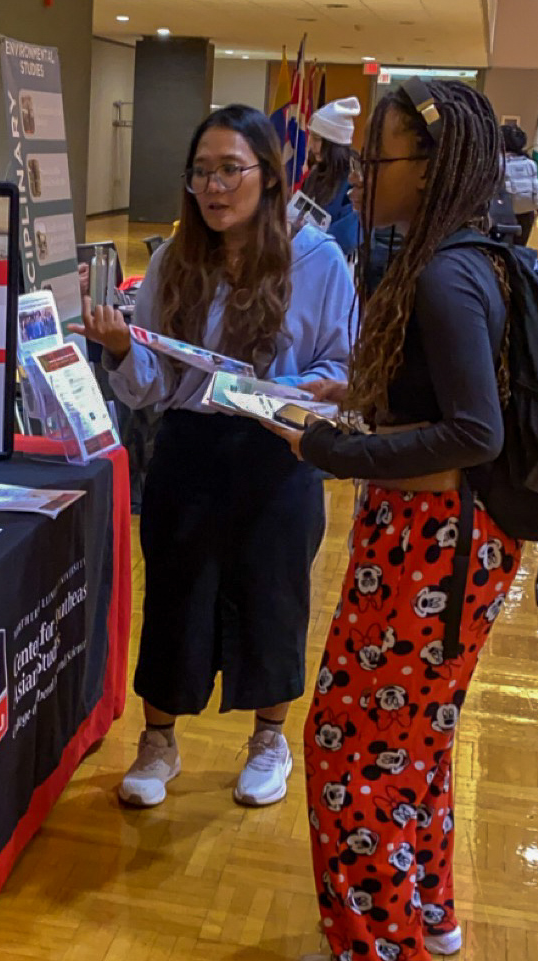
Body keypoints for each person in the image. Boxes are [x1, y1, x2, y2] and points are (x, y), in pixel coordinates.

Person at [267, 79, 522, 961]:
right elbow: (433, 401)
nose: (356, 172)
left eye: (378, 159)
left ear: (435, 164)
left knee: (350, 745)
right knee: (411, 739)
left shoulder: (448, 273)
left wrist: (339, 448)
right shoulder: (459, 255)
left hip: (432, 549)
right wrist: (348, 403)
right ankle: (424, 913)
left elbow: (474, 431)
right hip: (443, 547)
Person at [69, 104, 355, 810]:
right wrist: (118, 349)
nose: (215, 186)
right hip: (189, 449)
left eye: (231, 169)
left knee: (273, 595)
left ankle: (268, 739)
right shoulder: (172, 260)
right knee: (175, 593)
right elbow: (154, 387)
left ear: (269, 175)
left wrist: (292, 391)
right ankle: (158, 741)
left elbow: (341, 368)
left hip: (279, 449)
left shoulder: (317, 259)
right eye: (202, 172)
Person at [301, 97, 362, 257]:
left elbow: (349, 237)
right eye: (311, 137)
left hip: (334, 263)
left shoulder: (354, 179)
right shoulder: (316, 173)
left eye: (316, 139)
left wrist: (307, 237)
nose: (311, 146)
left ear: (334, 143)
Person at [501, 122, 538, 251]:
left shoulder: (497, 163)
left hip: (502, 217)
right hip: (525, 218)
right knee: (519, 252)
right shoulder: (530, 164)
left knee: (500, 254)